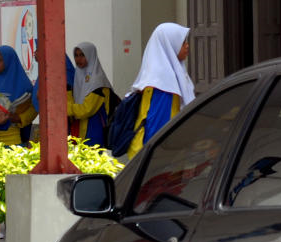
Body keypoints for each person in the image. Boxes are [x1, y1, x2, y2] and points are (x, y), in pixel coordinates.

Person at [126, 22, 194, 158]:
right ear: (170, 45)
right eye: (182, 42)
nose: (187, 45)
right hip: (158, 156)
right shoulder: (163, 80)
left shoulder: (168, 73)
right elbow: (159, 127)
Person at [67, 42, 117, 147]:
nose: (78, 59)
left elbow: (86, 109)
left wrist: (66, 108)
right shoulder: (79, 77)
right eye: (76, 55)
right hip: (79, 129)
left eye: (82, 55)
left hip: (94, 131)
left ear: (90, 55)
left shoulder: (97, 82)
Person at [0, 45, 36, 147]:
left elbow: (33, 110)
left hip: (12, 141)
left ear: (10, 61)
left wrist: (15, 118)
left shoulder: (24, 85)